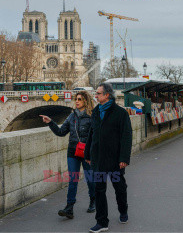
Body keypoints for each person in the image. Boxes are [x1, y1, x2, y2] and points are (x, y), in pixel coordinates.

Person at [40, 91, 95, 219]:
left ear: (86, 101)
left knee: (90, 179)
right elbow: (60, 132)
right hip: (73, 152)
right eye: (76, 99)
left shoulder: (92, 116)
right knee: (73, 180)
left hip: (88, 153)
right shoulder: (72, 117)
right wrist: (50, 122)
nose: (77, 101)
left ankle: (93, 200)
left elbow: (97, 136)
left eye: (80, 99)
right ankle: (69, 207)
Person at [85, 83, 132, 232]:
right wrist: (87, 154)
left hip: (115, 159)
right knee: (99, 189)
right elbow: (91, 134)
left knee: (119, 188)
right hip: (98, 159)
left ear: (107, 95)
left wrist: (123, 158)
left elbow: (126, 136)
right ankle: (102, 222)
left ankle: (123, 210)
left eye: (98, 93)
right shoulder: (96, 111)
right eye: (96, 93)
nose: (96, 96)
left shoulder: (120, 113)